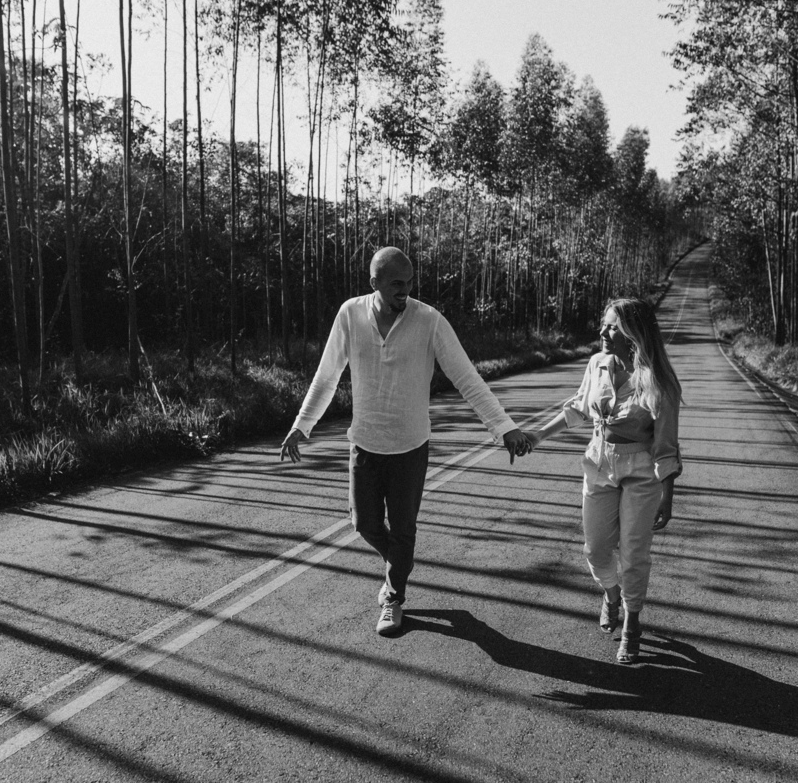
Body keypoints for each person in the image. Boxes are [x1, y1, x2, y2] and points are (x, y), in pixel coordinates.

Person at [280, 247, 531, 636]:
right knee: (363, 522)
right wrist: (302, 424)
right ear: (374, 282)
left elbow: (466, 377)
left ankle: (394, 597)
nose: (406, 290)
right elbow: (327, 375)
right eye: (397, 283)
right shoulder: (350, 314)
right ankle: (400, 561)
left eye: (410, 282)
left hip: (410, 448)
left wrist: (504, 426)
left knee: (402, 529)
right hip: (364, 443)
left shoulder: (429, 320)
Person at [523, 298, 682, 664]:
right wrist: (538, 435)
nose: (603, 332)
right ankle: (611, 594)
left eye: (612, 326)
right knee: (595, 549)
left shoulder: (659, 382)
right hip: (598, 461)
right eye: (604, 324)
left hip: (641, 470)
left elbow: (666, 446)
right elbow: (579, 407)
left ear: (633, 332)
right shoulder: (597, 363)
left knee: (634, 552)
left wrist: (667, 496)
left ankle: (632, 624)